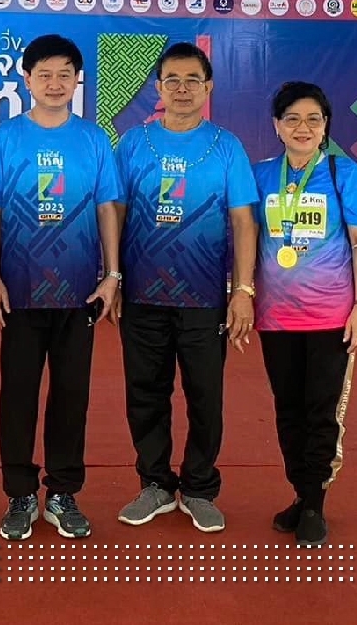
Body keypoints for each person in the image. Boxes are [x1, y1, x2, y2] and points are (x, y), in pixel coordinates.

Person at [112, 41, 259, 533]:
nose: (181, 89)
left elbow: (243, 222)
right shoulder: (133, 143)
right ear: (158, 88)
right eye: (171, 80)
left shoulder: (227, 146)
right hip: (141, 296)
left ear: (207, 87)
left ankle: (198, 488)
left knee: (205, 397)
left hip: (203, 299)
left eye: (192, 80)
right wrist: (112, 276)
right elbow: (114, 213)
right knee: (145, 395)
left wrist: (242, 291)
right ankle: (155, 483)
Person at [0, 35, 125, 541]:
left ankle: (63, 492)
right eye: (44, 74)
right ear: (27, 80)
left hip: (79, 291)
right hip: (20, 290)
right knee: (18, 394)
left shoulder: (93, 139)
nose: (55, 83)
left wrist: (112, 275)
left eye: (65, 74)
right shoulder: (6, 137)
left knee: (71, 395)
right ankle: (20, 494)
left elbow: (107, 206)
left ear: (77, 81)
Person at [252, 81, 357, 547]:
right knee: (287, 410)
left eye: (313, 120)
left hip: (330, 318)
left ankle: (314, 504)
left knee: (320, 411)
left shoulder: (344, 173)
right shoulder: (262, 175)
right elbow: (246, 239)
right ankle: (300, 492)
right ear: (277, 126)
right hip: (276, 319)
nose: (302, 128)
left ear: (325, 127)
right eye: (292, 119)